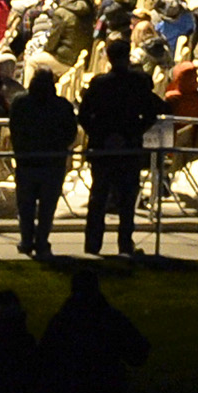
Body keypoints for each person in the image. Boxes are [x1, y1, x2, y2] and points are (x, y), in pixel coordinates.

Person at [79, 48, 162, 257]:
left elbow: (84, 115)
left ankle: (92, 244)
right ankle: (125, 244)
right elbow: (151, 114)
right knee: (127, 199)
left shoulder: (99, 83)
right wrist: (133, 133)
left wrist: (100, 135)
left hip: (103, 147)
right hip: (129, 146)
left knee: (98, 197)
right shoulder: (138, 82)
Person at [36, 265, 148, 393]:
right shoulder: (111, 318)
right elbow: (138, 354)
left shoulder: (62, 320)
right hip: (105, 391)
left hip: (70, 392)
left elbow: (44, 355)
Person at [7, 70, 78, 261]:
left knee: (26, 205)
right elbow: (71, 132)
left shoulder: (20, 103)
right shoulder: (62, 105)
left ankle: (26, 240)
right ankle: (42, 240)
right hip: (53, 161)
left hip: (27, 160)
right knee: (47, 207)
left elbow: (14, 128)